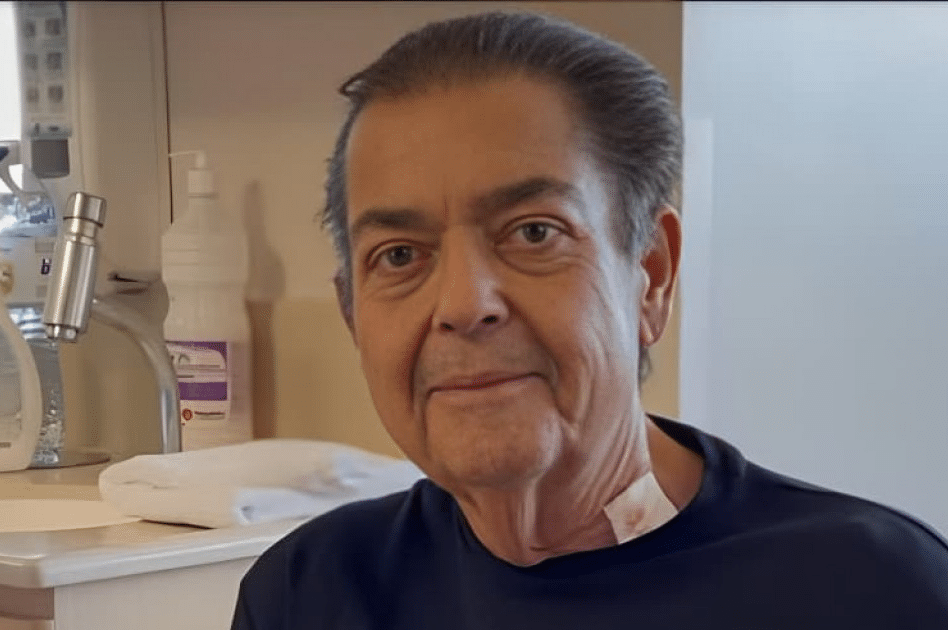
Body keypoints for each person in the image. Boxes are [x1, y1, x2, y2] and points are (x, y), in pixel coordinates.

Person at [230, 11, 948, 629]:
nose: (463, 305)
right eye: (399, 255)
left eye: (533, 232)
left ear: (651, 275)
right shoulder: (310, 591)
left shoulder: (870, 590)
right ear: (354, 314)